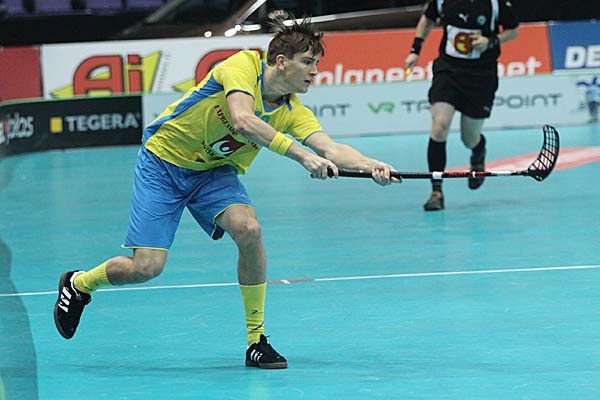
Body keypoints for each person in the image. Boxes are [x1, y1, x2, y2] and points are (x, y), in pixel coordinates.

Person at [53, 18, 398, 370]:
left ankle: (256, 340)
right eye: (308, 62)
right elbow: (242, 120)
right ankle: (80, 283)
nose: (315, 71)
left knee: (249, 229)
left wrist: (372, 166)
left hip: (213, 173)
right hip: (163, 163)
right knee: (146, 268)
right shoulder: (242, 66)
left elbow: (331, 149)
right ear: (281, 61)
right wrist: (302, 156)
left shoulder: (293, 112)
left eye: (317, 64)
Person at [405, 0, 519, 211]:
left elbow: (513, 31)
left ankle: (478, 149)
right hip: (448, 71)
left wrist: (490, 41)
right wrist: (415, 49)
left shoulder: (495, 3)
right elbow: (427, 19)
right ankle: (436, 191)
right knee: (439, 126)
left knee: (469, 138)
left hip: (481, 76)